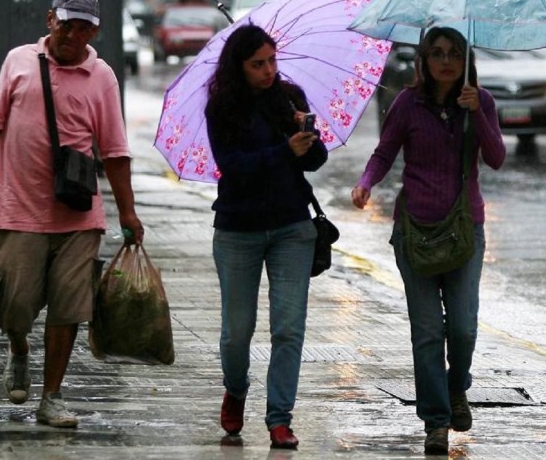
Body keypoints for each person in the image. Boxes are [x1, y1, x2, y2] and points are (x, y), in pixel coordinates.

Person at [0, 0, 144, 429]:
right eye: (66, 24)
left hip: (79, 214)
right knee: (15, 304)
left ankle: (52, 396)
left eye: (83, 27)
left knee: (69, 306)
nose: (73, 34)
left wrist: (128, 212)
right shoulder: (18, 62)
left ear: (93, 31)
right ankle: (18, 348)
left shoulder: (102, 77)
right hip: (17, 210)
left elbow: (115, 151)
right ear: (49, 21)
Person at [350, 26, 506, 455]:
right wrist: (366, 183)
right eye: (436, 53)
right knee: (426, 333)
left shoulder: (481, 101)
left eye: (454, 53)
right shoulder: (407, 103)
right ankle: (435, 422)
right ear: (423, 60)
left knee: (463, 327)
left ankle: (458, 387)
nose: (446, 61)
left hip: (463, 231)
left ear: (466, 59)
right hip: (414, 232)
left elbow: (495, 158)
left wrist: (476, 115)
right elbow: (385, 152)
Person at [205, 25, 327, 450]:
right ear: (239, 66)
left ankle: (279, 419)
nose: (269, 70)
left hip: (293, 229)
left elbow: (316, 160)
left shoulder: (288, 99)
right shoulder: (222, 107)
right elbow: (232, 166)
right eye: (258, 64)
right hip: (238, 230)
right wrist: (283, 151)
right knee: (237, 332)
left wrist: (308, 134)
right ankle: (236, 388)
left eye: (273, 60)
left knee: (289, 328)